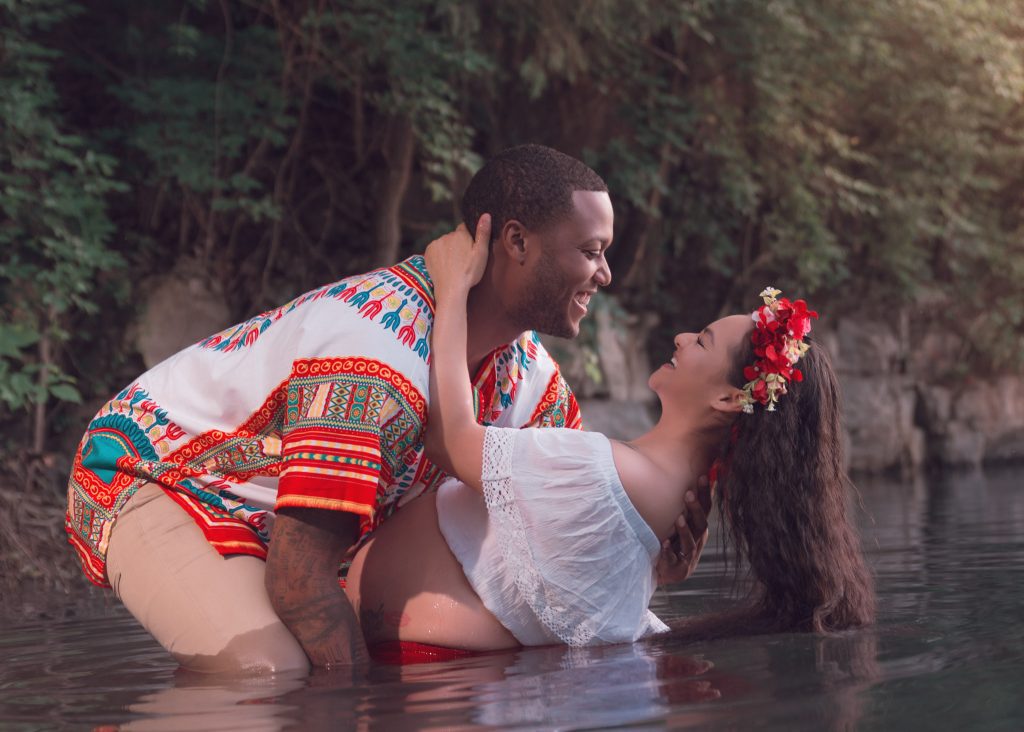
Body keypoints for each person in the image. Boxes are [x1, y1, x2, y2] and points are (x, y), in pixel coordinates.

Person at [64, 144, 695, 674]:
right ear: (516, 242)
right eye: (591, 251)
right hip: (158, 480)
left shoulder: (532, 379)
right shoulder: (375, 356)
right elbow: (298, 582)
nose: (606, 274)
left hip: (287, 529)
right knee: (274, 675)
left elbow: (562, 541)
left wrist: (656, 564)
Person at [342, 220, 875, 654]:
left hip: (409, 666)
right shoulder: (659, 503)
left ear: (729, 400)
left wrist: (452, 288)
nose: (682, 337)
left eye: (703, 341)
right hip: (424, 661)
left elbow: (452, 441)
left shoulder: (606, 472)